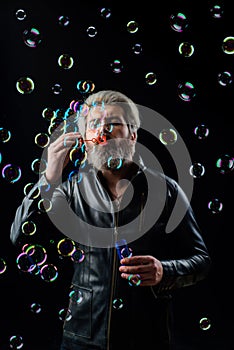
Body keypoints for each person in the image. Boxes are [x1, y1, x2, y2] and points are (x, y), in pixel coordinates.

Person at [10, 90, 211, 350]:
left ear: (133, 135)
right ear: (86, 139)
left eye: (112, 123)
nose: (102, 130)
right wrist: (48, 178)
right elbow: (21, 236)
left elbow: (201, 260)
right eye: (94, 124)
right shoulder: (70, 190)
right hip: (81, 339)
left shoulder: (166, 190)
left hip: (146, 338)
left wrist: (164, 271)